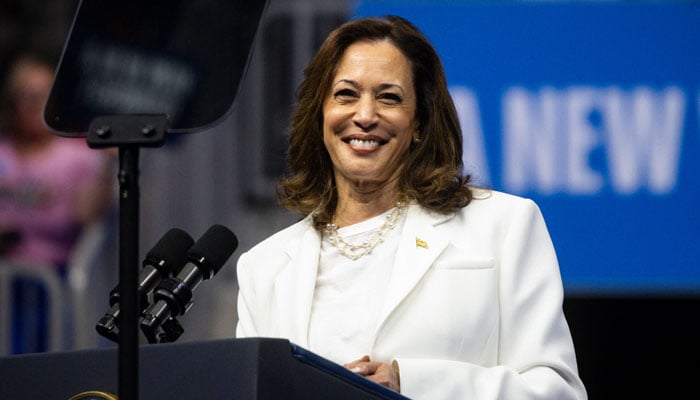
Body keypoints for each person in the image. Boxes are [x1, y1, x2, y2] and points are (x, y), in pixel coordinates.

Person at [235, 15, 587, 399]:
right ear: (320, 113)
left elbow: (558, 392)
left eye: (389, 97)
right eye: (346, 95)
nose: (365, 116)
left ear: (418, 120)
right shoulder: (264, 268)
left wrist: (409, 385)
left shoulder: (503, 226)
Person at [0, 52, 115, 353]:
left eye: (43, 95)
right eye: (26, 95)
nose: (34, 103)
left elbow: (85, 215)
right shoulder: (3, 152)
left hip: (55, 283)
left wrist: (107, 165)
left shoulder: (78, 157)